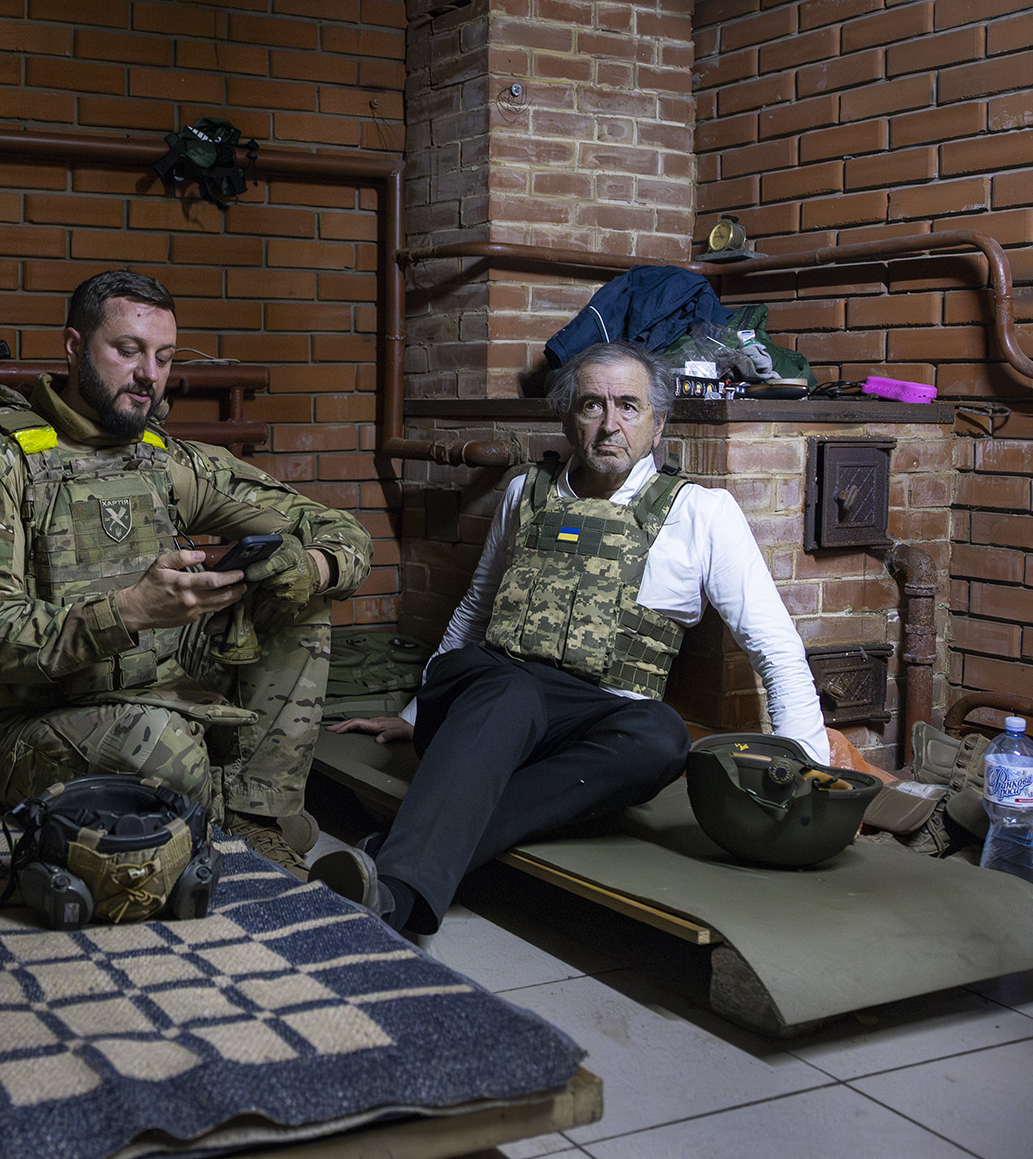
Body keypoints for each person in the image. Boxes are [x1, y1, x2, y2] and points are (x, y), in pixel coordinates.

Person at [329, 340, 828, 933]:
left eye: (628, 406)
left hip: (590, 720)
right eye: (592, 406)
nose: (609, 424)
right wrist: (415, 714)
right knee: (512, 695)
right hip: (490, 690)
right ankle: (399, 897)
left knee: (664, 736)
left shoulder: (702, 514)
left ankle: (397, 846)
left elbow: (774, 647)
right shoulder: (524, 493)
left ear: (658, 424)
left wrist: (809, 771)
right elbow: (476, 606)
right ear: (568, 419)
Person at [0, 269, 376, 880]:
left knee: (298, 600)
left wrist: (313, 564)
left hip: (158, 688)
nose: (149, 375)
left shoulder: (164, 463)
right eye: (128, 350)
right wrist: (131, 612)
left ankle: (256, 826)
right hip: (26, 718)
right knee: (164, 747)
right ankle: (248, 817)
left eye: (163, 357)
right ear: (73, 345)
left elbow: (339, 530)